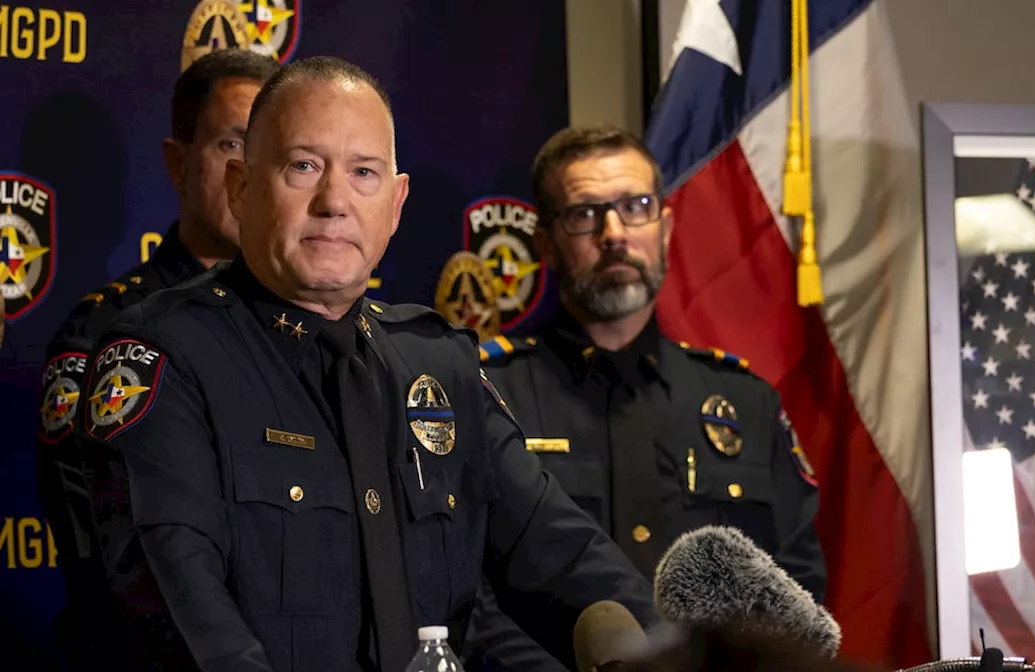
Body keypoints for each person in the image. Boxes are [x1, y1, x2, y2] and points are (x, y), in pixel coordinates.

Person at [74, 56, 657, 671]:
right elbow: (186, 626)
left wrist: (643, 650)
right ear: (242, 187)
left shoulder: (438, 362)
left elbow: (561, 555)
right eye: (303, 166)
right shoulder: (165, 358)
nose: (335, 201)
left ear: (397, 201)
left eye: (364, 173)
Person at [466, 125, 825, 671]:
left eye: (636, 206)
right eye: (585, 213)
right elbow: (470, 595)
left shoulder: (745, 404)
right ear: (546, 244)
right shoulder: (491, 395)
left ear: (665, 225)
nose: (614, 232)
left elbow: (795, 589)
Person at [35, 48, 279, 669]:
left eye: (273, 150)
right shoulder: (102, 334)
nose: (250, 171)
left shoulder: (313, 326)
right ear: (178, 163)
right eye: (231, 144)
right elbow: (103, 561)